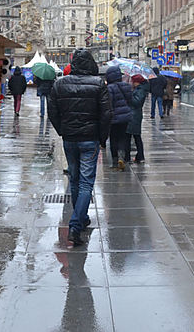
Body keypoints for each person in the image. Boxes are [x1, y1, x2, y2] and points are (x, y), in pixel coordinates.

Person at [47, 48, 112, 247]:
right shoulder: (98, 84)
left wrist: (62, 130)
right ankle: (76, 224)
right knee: (85, 182)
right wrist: (102, 138)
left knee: (74, 180)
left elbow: (52, 111)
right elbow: (106, 114)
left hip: (70, 138)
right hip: (90, 138)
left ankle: (81, 218)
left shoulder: (60, 84)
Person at [105, 65, 133, 171]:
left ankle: (115, 161)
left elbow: (109, 103)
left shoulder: (109, 88)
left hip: (114, 118)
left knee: (113, 139)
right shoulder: (127, 86)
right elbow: (130, 100)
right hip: (125, 117)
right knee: (123, 138)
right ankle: (122, 157)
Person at [127, 74, 148, 162]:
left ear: (137, 82)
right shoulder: (139, 89)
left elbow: (137, 102)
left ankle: (132, 157)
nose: (132, 83)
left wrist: (129, 96)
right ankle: (139, 156)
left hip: (134, 115)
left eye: (133, 81)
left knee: (132, 136)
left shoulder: (140, 90)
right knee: (135, 136)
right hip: (134, 114)